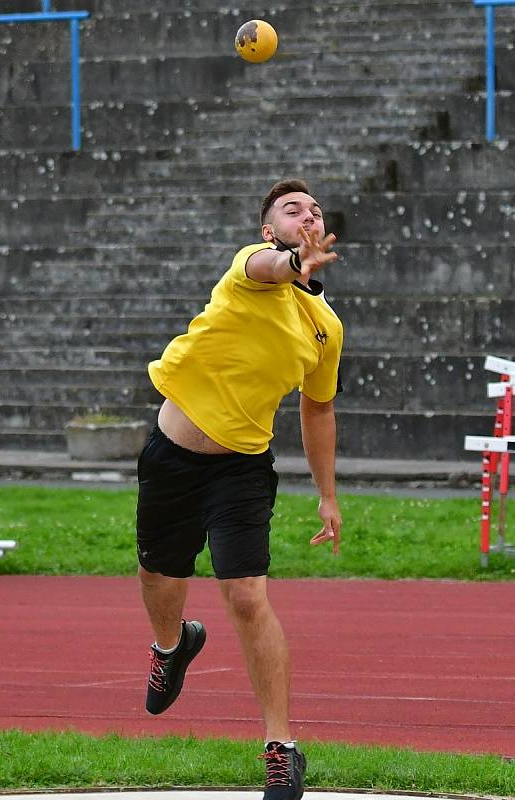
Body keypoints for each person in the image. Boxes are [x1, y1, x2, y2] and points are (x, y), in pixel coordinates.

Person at [136, 178, 343, 800]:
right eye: (291, 210)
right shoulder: (250, 269)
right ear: (268, 230)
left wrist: (328, 495)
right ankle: (173, 647)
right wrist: (292, 263)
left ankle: (282, 750)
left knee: (247, 595)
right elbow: (272, 268)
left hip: (242, 471)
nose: (305, 216)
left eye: (313, 210)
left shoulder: (325, 328)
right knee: (159, 580)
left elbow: (318, 411)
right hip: (172, 458)